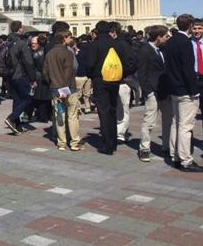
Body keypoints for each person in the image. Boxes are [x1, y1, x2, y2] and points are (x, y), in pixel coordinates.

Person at [85, 21, 135, 155]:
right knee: (112, 110)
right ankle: (113, 142)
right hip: (115, 80)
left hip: (100, 80)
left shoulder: (95, 44)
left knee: (104, 111)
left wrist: (92, 76)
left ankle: (108, 144)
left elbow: (89, 64)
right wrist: (121, 75)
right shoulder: (118, 44)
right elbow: (129, 62)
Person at [163, 14, 202, 172]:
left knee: (176, 123)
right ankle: (186, 159)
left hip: (174, 89)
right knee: (186, 126)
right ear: (191, 25)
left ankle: (175, 155)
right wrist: (194, 91)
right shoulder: (185, 42)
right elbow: (187, 69)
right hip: (185, 89)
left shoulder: (171, 41)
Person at [137, 25, 172, 162]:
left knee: (168, 120)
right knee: (149, 121)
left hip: (165, 90)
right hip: (152, 90)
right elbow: (142, 73)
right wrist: (147, 92)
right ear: (158, 37)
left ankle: (167, 146)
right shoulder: (145, 50)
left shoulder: (163, 49)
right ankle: (144, 148)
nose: (167, 38)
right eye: (165, 36)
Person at [44, 30, 81, 151]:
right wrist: (64, 88)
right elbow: (69, 71)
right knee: (72, 115)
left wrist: (52, 82)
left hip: (55, 88)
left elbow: (45, 72)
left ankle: (62, 143)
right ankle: (74, 142)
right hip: (69, 88)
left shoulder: (49, 54)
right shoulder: (68, 53)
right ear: (64, 39)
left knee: (59, 115)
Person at [4, 21, 37, 134]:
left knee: (17, 100)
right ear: (20, 28)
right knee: (27, 99)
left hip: (10, 74)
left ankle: (16, 126)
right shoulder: (21, 43)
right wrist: (33, 78)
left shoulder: (7, 42)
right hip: (20, 74)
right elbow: (28, 62)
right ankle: (11, 118)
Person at [30, 34, 52, 122]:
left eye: (34, 43)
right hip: (46, 77)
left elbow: (33, 66)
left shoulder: (35, 53)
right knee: (46, 98)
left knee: (40, 98)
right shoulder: (47, 51)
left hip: (39, 77)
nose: (33, 45)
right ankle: (48, 115)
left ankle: (42, 116)